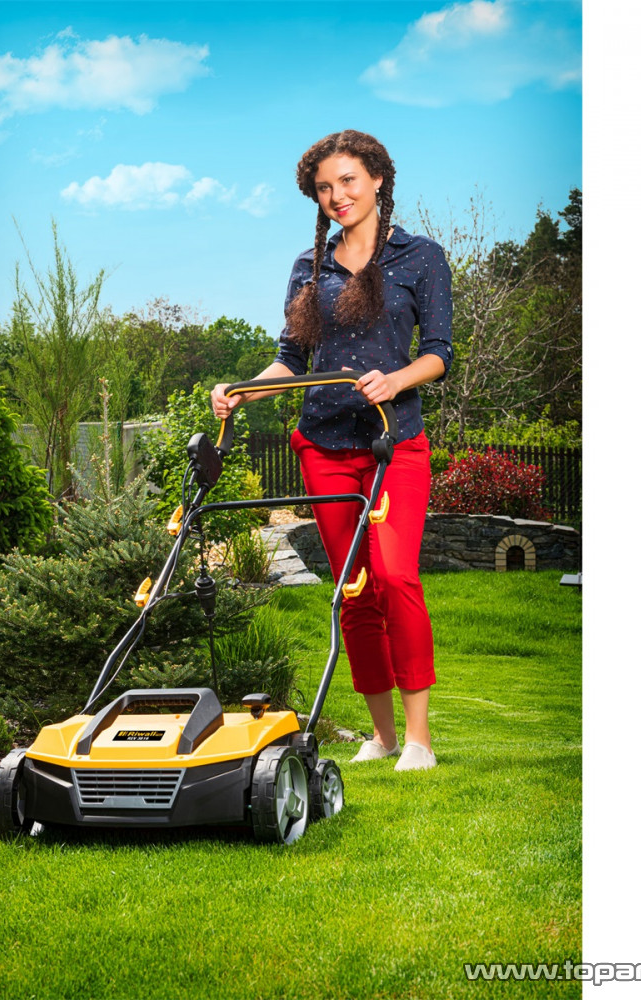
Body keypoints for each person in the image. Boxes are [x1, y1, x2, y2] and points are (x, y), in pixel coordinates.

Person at [211, 130, 453, 772]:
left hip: (393, 442)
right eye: (324, 188)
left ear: (377, 178)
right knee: (354, 589)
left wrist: (395, 380)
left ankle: (421, 740)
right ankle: (383, 736)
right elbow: (291, 360)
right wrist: (241, 392)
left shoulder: (420, 257)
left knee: (396, 577)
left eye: (347, 180)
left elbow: (440, 352)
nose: (336, 195)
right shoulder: (308, 267)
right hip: (324, 446)